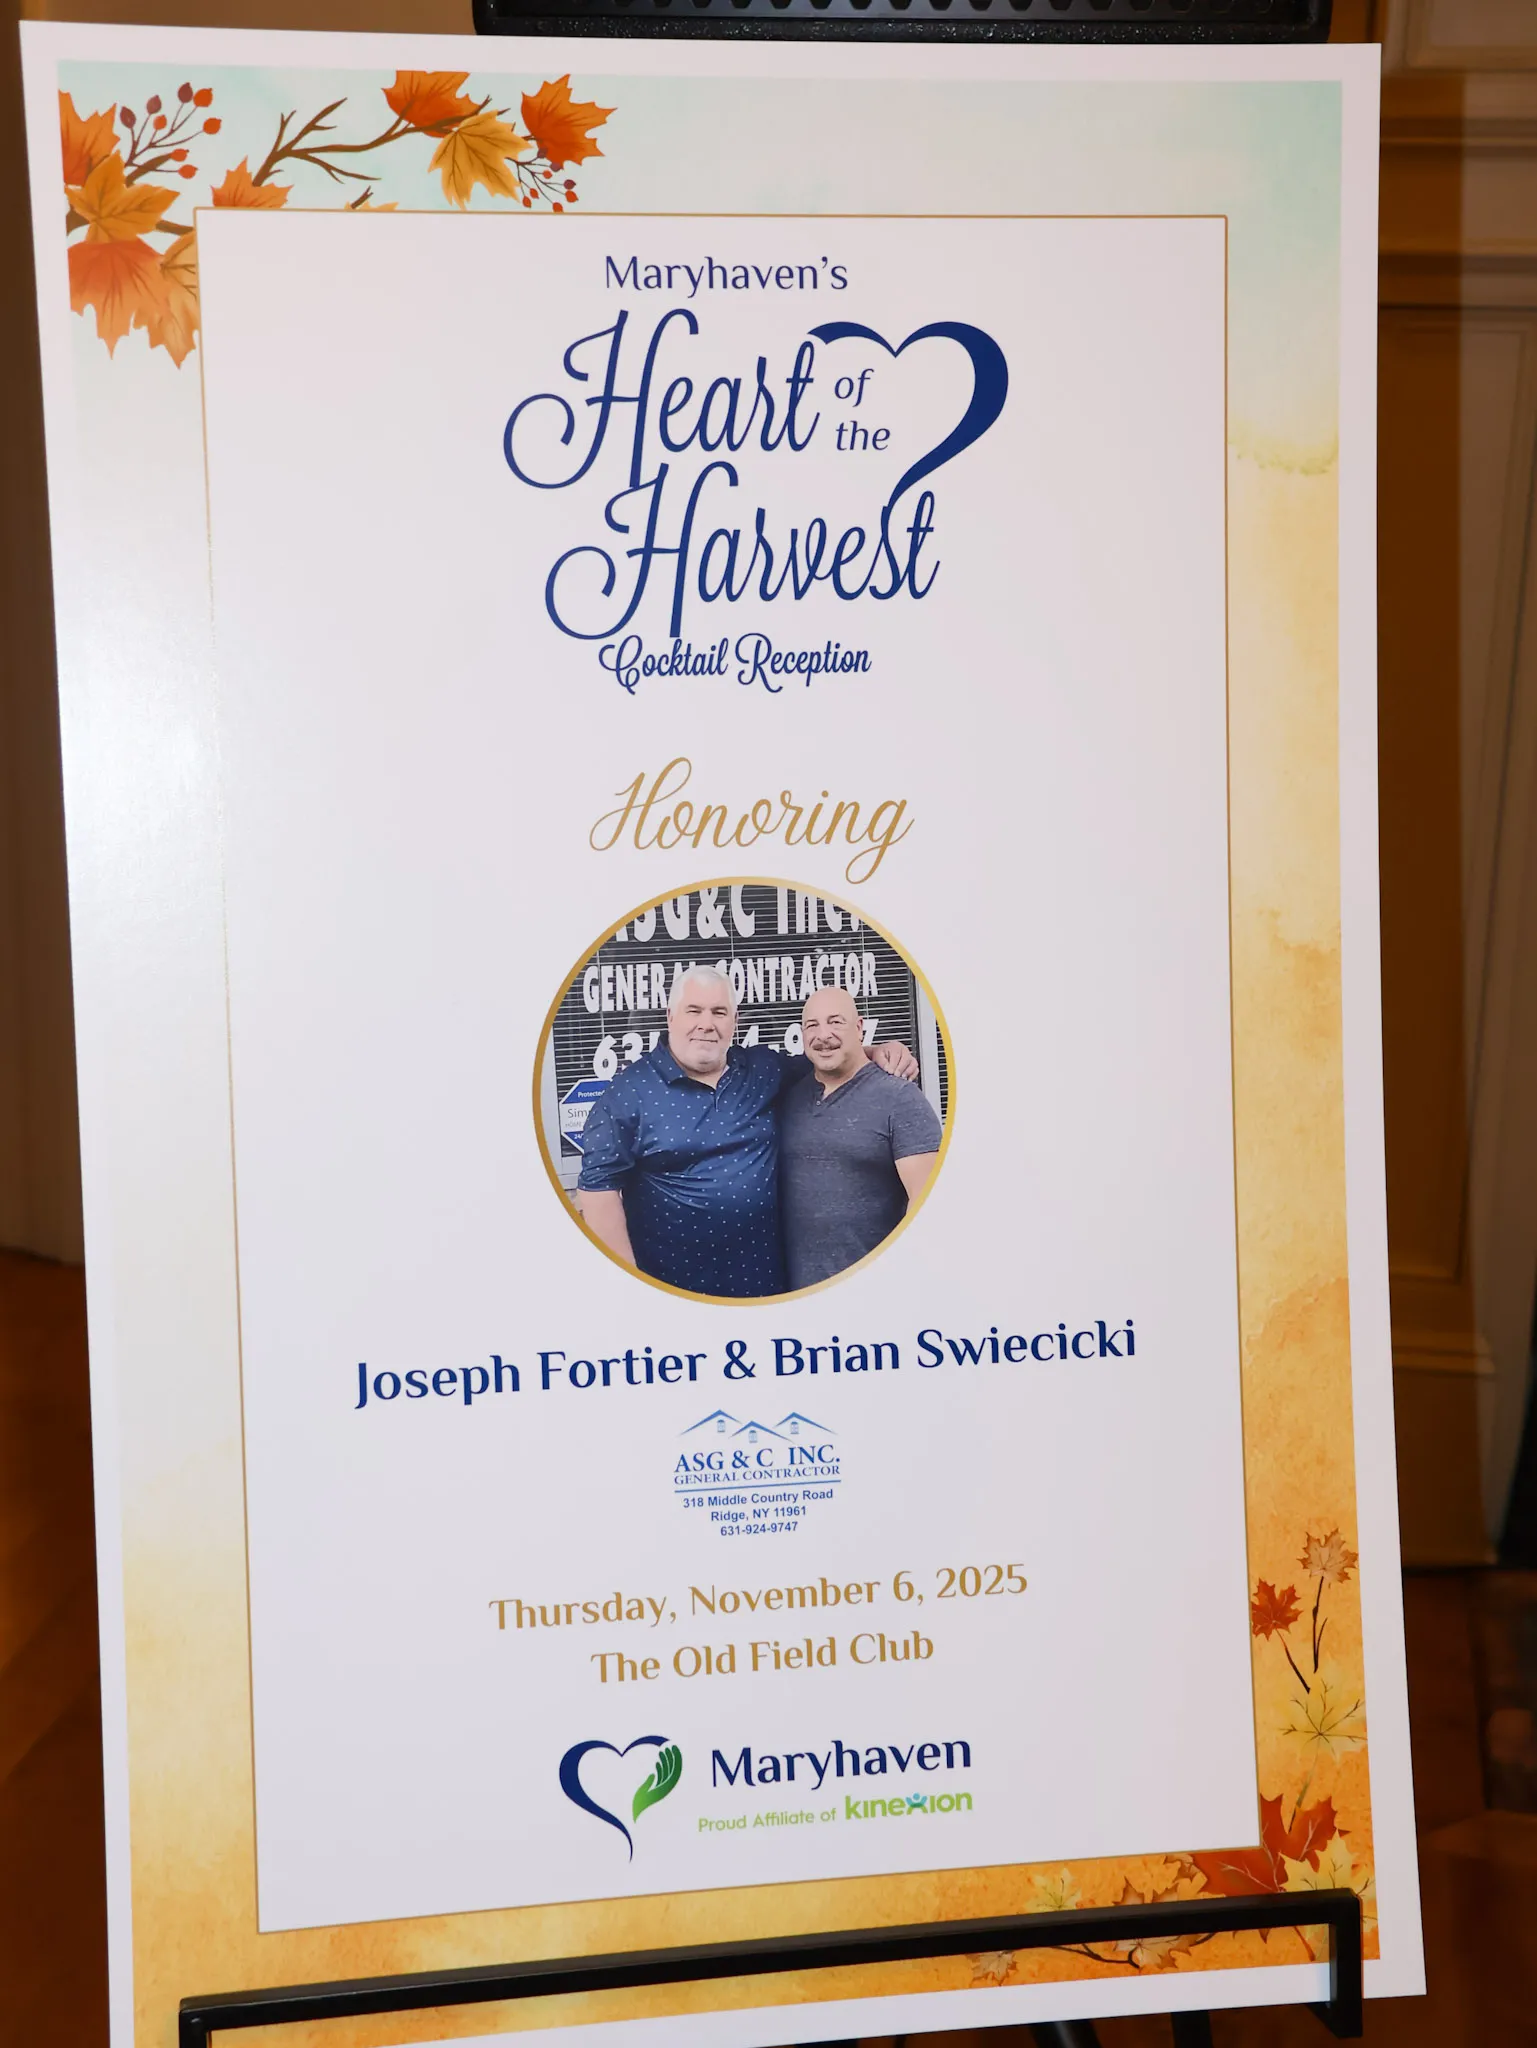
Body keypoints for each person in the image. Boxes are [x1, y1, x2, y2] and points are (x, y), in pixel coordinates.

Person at [575, 966, 916, 1298]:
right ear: (671, 1017)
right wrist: (631, 1291)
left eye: (719, 1012)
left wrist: (876, 1050)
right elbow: (598, 1192)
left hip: (766, 1291)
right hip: (678, 1296)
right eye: (694, 1011)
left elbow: (829, 1060)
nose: (706, 1024)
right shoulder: (628, 1093)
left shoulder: (761, 1069)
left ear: (734, 1021)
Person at [778, 986, 943, 1290]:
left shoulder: (900, 1098)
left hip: (875, 1294)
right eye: (812, 1025)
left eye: (836, 1022)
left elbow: (930, 1206)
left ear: (859, 1028)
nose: (823, 1035)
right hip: (799, 1296)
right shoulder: (790, 1096)